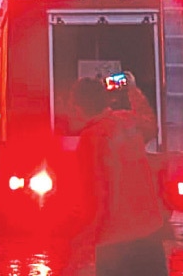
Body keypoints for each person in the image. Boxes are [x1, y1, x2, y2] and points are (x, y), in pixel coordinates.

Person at [64, 72, 168, 276]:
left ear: (78, 108)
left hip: (115, 243)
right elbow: (150, 124)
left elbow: (96, 199)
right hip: (150, 234)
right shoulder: (127, 121)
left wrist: (80, 246)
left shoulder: (90, 139)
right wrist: (132, 90)